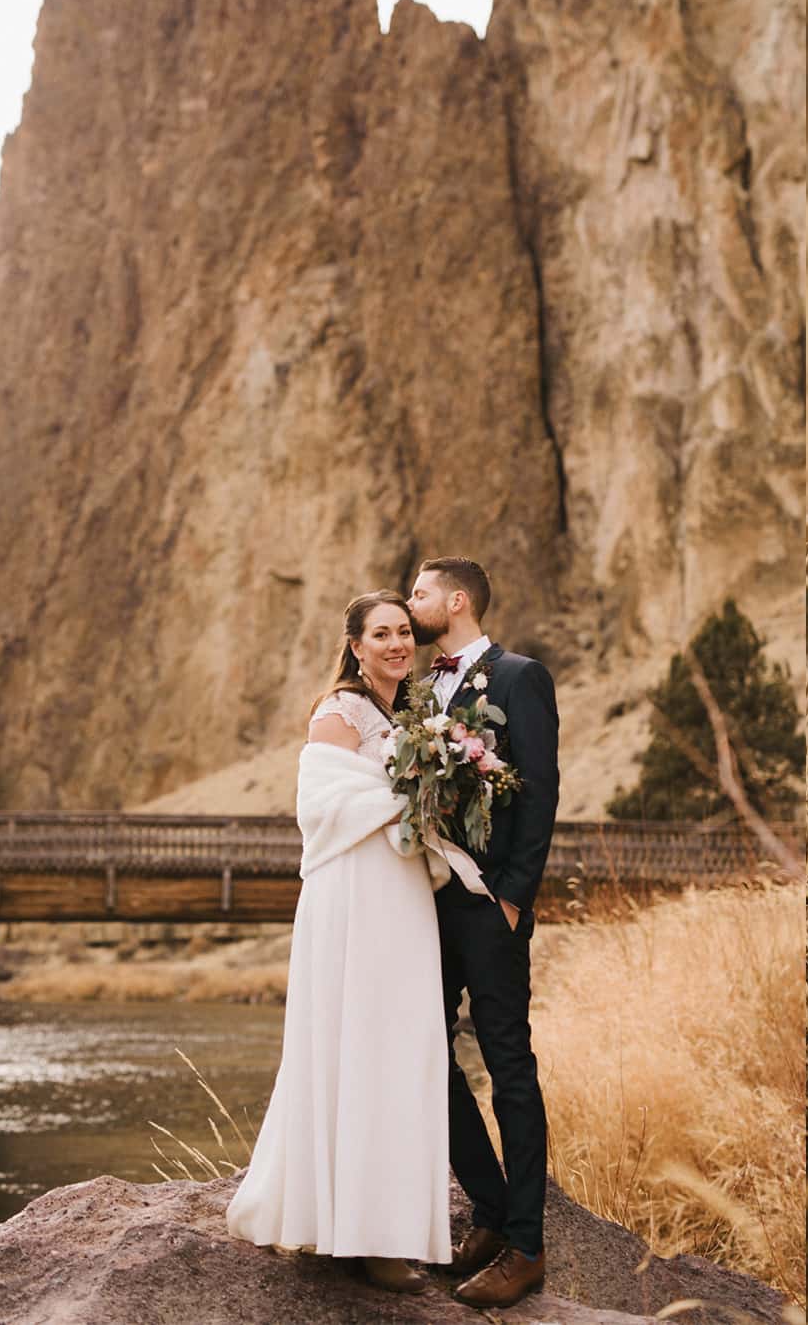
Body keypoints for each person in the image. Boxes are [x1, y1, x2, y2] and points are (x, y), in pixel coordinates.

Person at [226, 590, 458, 1293]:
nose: (396, 643)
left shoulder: (410, 715)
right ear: (355, 645)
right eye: (380, 633)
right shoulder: (342, 710)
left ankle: (373, 1219)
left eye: (403, 632)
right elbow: (319, 804)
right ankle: (360, 1234)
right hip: (354, 894)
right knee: (356, 1040)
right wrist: (411, 793)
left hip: (401, 896)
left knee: (398, 1043)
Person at [406, 556, 560, 1309]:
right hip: (425, 904)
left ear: (457, 600)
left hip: (488, 903)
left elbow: (539, 790)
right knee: (423, 1049)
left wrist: (512, 897)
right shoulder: (417, 686)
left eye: (421, 592)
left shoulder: (518, 676)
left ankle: (527, 1247)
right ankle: (491, 1210)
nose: (411, 603)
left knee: (507, 1064)